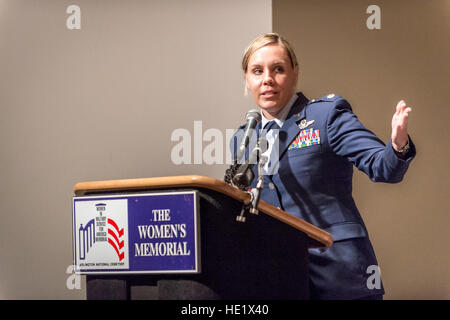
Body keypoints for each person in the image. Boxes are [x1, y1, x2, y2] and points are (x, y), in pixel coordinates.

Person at [229, 33, 416, 300]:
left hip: (339, 273)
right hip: (277, 278)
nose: (267, 79)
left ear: (295, 73)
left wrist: (397, 145)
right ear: (247, 80)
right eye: (257, 71)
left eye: (278, 69)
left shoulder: (325, 116)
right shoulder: (242, 138)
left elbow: (382, 166)